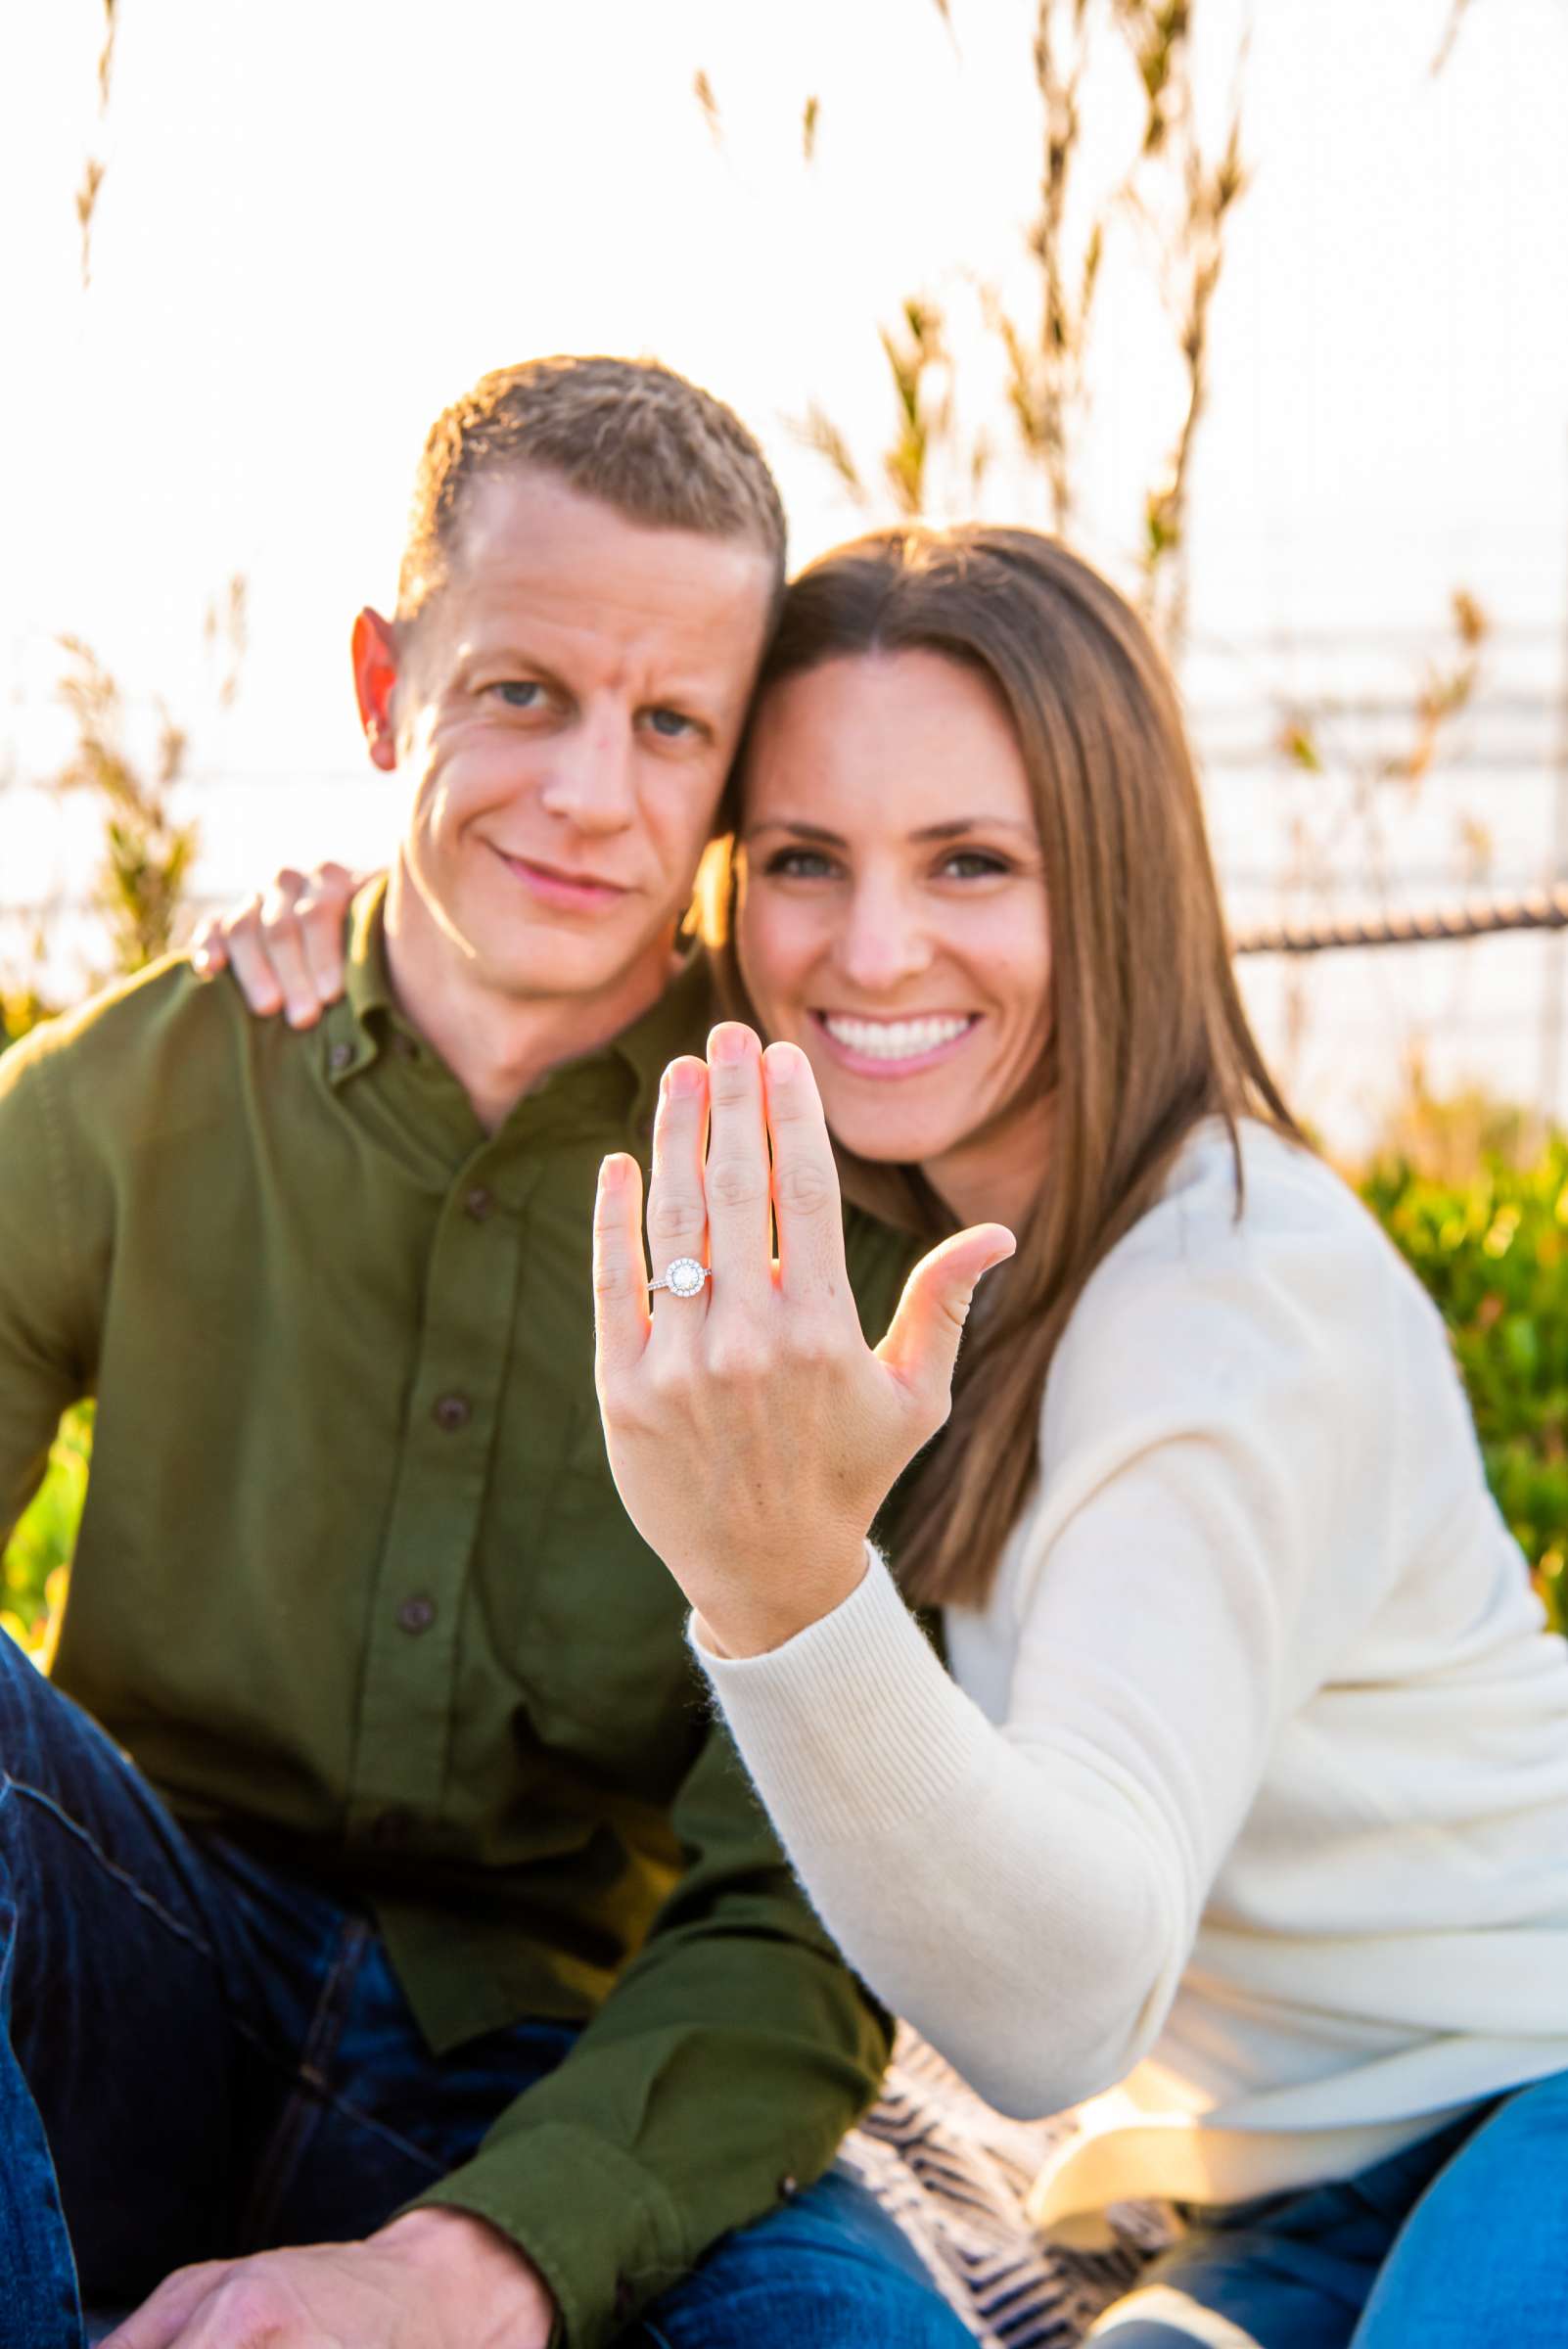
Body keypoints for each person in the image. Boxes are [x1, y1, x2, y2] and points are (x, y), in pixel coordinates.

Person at [214, 522, 1568, 2345]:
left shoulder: (1229, 1305)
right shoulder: (897, 1225)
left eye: (971, 862)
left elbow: (1056, 2004)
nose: (869, 948)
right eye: (799, 861)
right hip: (1269, 2192)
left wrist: (780, 1585)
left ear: (1117, 881)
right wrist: (355, 924)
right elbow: (524, 949)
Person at [0, 359, 978, 2349]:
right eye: (519, 691)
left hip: (577, 2076)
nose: (590, 794)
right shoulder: (142, 1087)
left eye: (671, 724)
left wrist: (475, 2268)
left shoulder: (831, 1229)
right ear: (384, 688)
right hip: (143, 1982)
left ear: (730, 779)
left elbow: (795, 1916)